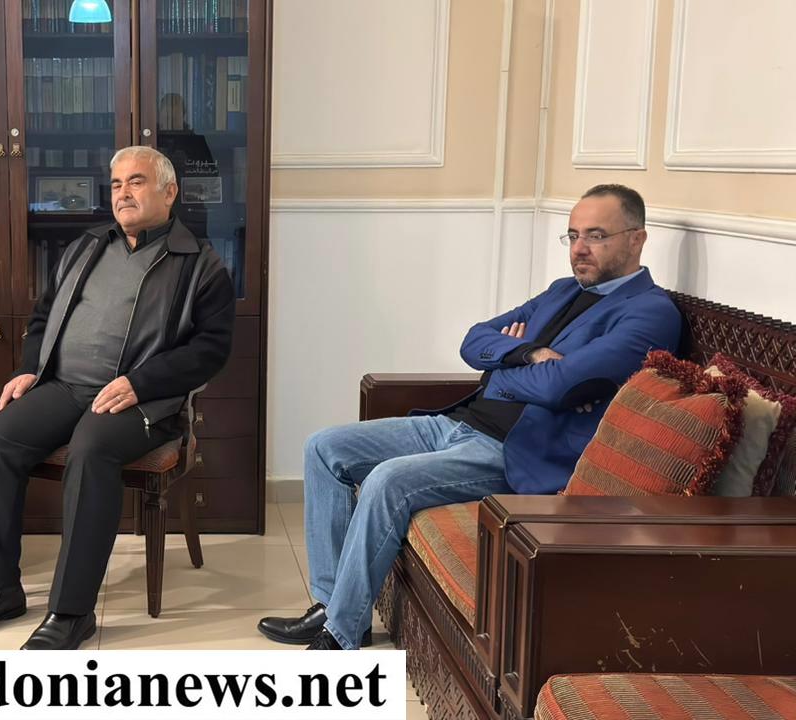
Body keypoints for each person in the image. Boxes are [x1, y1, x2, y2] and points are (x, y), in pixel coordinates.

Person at [258, 184, 682, 650]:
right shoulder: (562, 291)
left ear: (637, 239)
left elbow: (560, 386)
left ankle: (340, 635)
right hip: (458, 421)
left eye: (596, 235)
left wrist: (504, 368)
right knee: (324, 447)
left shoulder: (650, 313)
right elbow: (474, 339)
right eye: (573, 235)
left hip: (513, 451)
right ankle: (330, 603)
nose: (579, 248)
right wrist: (529, 354)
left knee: (386, 480)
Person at [0, 146, 235, 650]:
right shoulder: (86, 247)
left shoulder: (200, 265)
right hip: (64, 386)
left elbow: (211, 350)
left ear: (169, 192)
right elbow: (42, 316)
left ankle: (71, 612)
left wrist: (141, 383)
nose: (123, 193)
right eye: (116, 184)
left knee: (91, 449)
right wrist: (29, 368)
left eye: (136, 182)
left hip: (144, 402)